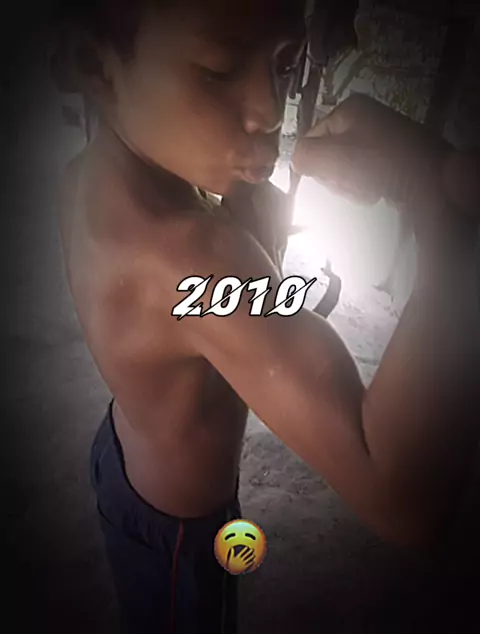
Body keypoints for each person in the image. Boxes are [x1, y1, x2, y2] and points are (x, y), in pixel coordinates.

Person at [52, 1, 479, 632]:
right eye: (219, 71)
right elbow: (402, 498)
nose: (269, 110)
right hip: (179, 532)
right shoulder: (197, 258)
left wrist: (253, 225)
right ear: (96, 66)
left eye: (284, 65)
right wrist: (443, 218)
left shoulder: (88, 173)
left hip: (122, 453)